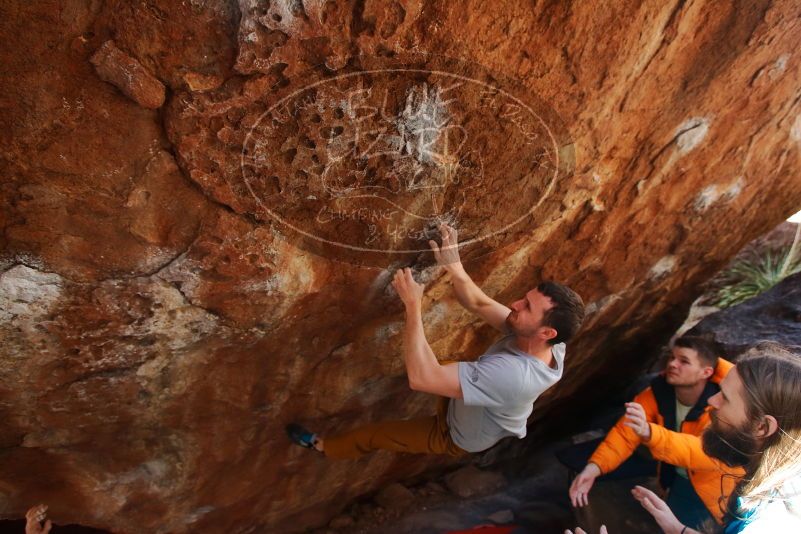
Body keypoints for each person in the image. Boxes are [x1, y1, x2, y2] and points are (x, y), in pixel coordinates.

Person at [286, 223, 585, 459]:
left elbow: (420, 378)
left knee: (376, 435)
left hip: (457, 434)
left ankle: (321, 446)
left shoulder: (513, 375)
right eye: (525, 299)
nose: (515, 304)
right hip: (474, 401)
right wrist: (453, 264)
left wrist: (412, 305)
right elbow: (480, 304)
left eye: (527, 307)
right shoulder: (542, 339)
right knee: (446, 365)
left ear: (547, 333)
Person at [625, 342, 801, 533]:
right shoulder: (772, 481)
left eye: (724, 397)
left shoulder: (769, 522)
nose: (711, 401)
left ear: (762, 426)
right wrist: (677, 529)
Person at [569, 335, 735, 527]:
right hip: (677, 482)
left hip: (720, 487)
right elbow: (625, 434)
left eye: (684, 361)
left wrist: (650, 433)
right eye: (672, 357)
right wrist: (594, 468)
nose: (672, 364)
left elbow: (706, 452)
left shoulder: (721, 404)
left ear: (706, 372)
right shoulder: (656, 393)